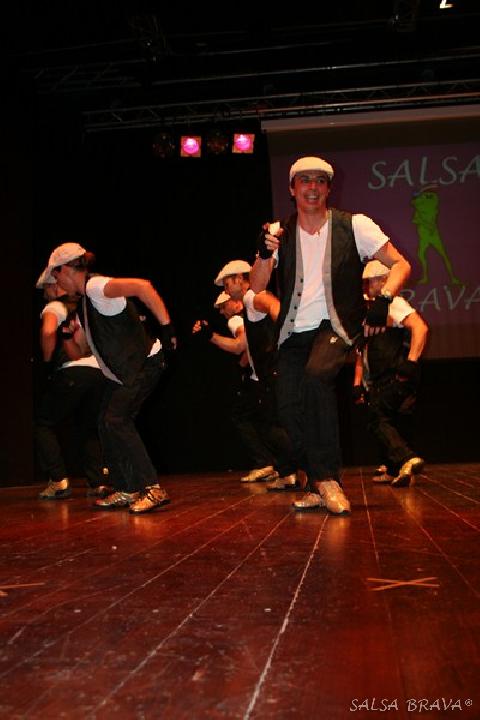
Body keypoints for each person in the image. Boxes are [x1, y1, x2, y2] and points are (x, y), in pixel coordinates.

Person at [250, 156, 411, 514]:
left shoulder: (354, 225)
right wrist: (263, 254)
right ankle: (316, 483)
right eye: (305, 180)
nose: (313, 187)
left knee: (316, 377)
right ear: (292, 189)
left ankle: (329, 480)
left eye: (320, 181)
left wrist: (384, 298)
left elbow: (401, 263)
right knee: (288, 409)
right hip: (293, 332)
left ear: (328, 189)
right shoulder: (279, 232)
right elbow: (257, 286)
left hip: (335, 327)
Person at [37, 242, 175, 514]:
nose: (55, 284)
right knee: (105, 421)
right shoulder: (85, 302)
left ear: (66, 270)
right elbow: (80, 352)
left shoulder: (95, 286)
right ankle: (127, 488)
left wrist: (167, 327)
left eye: (55, 276)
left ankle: (152, 487)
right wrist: (67, 337)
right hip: (124, 372)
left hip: (143, 363)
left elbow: (143, 287)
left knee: (116, 419)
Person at [213, 260, 298, 491]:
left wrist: (285, 333)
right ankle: (289, 472)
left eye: (227, 284)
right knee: (271, 423)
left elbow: (272, 305)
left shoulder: (252, 297)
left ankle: (298, 467)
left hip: (272, 371)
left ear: (239, 279)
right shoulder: (248, 302)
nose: (226, 290)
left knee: (271, 425)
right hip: (268, 372)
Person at [353, 260, 428, 486]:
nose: (368, 286)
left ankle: (406, 459)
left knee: (377, 417)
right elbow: (362, 354)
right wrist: (359, 383)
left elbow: (420, 327)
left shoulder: (393, 302)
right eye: (367, 282)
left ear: (384, 280)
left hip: (395, 374)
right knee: (391, 420)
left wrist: (411, 362)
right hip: (379, 378)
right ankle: (396, 469)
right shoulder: (370, 312)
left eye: (372, 281)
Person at [35, 272, 109, 500]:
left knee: (43, 423)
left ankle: (58, 480)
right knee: (88, 428)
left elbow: (48, 331)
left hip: (72, 370)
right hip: (97, 371)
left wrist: (47, 361)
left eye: (45, 290)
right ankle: (97, 482)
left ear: (53, 286)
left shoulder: (55, 306)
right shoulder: (84, 306)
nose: (45, 295)